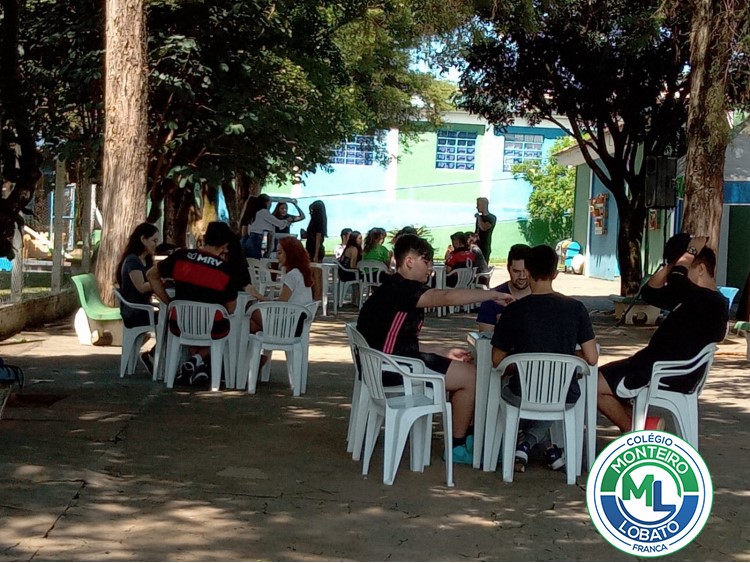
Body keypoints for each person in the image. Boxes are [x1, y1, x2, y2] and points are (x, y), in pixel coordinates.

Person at [357, 234, 514, 465]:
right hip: (393, 369)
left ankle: (467, 436)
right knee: (471, 377)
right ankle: (458, 446)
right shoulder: (404, 289)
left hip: (384, 364)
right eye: (426, 261)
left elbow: (393, 340)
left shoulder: (390, 287)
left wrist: (441, 350)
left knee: (462, 367)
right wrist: (492, 295)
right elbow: (446, 296)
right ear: (409, 261)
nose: (431, 267)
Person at [597, 235, 729, 433]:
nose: (677, 273)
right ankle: (640, 426)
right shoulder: (693, 298)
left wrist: (690, 252)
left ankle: (634, 429)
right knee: (593, 382)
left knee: (590, 385)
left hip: (663, 372)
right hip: (651, 366)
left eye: (684, 268)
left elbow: (676, 280)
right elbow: (650, 292)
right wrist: (673, 264)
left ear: (700, 269)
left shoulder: (710, 302)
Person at [491, 244, 599, 472]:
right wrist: (565, 355)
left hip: (521, 394)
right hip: (564, 395)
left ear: (528, 271)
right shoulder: (576, 309)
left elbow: (497, 359)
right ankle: (540, 446)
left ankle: (526, 442)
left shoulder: (514, 311)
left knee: (513, 393)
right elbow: (591, 357)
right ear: (556, 273)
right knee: (559, 395)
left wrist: (524, 357)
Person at [147, 222, 246, 385]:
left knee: (194, 329)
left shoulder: (181, 256)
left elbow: (151, 275)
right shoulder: (226, 271)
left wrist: (169, 302)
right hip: (211, 328)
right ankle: (198, 361)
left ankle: (195, 363)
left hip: (179, 324)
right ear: (225, 245)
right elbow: (230, 308)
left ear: (206, 239)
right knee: (226, 328)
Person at [115, 222, 160, 375]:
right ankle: (153, 355)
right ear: (143, 239)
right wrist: (159, 283)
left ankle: (154, 354)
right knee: (171, 322)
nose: (156, 245)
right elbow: (141, 287)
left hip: (143, 309)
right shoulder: (132, 260)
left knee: (172, 319)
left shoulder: (146, 261)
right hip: (135, 312)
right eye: (154, 240)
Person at [249, 237, 314, 334]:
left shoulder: (292, 275)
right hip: (300, 322)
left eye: (279, 253)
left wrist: (259, 296)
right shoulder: (301, 273)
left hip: (291, 325)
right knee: (252, 326)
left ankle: (238, 340)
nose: (277, 256)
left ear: (289, 254)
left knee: (252, 311)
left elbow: (280, 304)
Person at [476, 244, 532, 331]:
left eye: (526, 271)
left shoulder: (543, 300)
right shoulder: (492, 299)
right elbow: (485, 337)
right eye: (516, 271)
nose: (522, 276)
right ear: (508, 269)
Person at [240, 194, 290, 258]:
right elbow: (279, 224)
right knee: (259, 260)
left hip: (252, 238)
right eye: (270, 202)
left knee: (252, 261)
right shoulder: (263, 212)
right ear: (266, 202)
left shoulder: (255, 213)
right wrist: (286, 221)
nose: (271, 205)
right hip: (259, 240)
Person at [475, 197, 497, 262]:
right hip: (476, 247)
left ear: (483, 205)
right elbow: (477, 231)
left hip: (484, 247)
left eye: (478, 205)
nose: (476, 207)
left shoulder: (492, 218)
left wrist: (479, 217)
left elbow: (483, 228)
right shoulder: (480, 218)